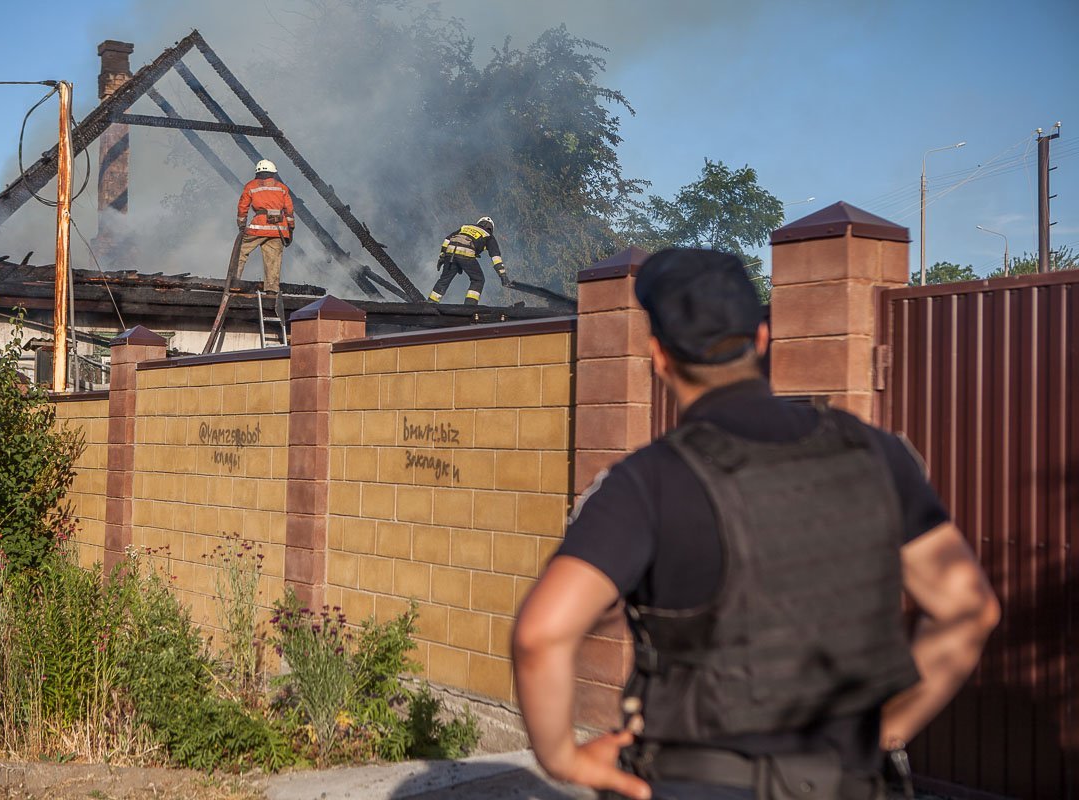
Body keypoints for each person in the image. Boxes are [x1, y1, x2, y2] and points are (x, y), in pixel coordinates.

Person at [512, 248, 1001, 800]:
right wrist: (885, 731)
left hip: (695, 781)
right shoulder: (876, 455)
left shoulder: (647, 481)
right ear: (762, 338)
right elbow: (969, 610)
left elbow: (542, 634)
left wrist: (563, 759)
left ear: (658, 357)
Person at [235, 159, 295, 313]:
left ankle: (234, 281)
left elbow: (243, 207)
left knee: (240, 252)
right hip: (278, 229)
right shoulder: (282, 188)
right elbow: (289, 210)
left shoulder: (251, 186)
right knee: (273, 260)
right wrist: (291, 228)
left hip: (258, 228)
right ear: (273, 173)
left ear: (258, 173)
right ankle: (271, 290)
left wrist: (242, 224)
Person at [428, 216, 510, 305]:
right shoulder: (488, 235)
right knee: (478, 280)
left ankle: (431, 302)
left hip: (450, 252)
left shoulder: (466, 227)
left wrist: (442, 256)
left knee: (444, 279)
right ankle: (469, 306)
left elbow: (447, 239)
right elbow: (495, 257)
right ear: (490, 228)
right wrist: (503, 275)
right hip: (466, 253)